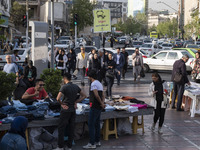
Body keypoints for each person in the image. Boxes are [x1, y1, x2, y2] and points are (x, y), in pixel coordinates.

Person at [54, 73, 86, 150]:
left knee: (61, 128)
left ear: (64, 79)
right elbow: (85, 95)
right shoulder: (76, 86)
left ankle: (60, 146)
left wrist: (62, 104)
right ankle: (69, 146)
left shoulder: (64, 87)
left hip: (65, 110)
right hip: (73, 110)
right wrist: (76, 101)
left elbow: (58, 98)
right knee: (71, 128)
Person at [83, 70, 105, 149]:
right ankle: (97, 141)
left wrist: (101, 103)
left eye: (88, 76)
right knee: (97, 124)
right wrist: (102, 103)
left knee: (91, 124)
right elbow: (103, 95)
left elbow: (96, 95)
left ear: (90, 77)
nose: (88, 78)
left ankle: (92, 143)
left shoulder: (93, 84)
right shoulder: (99, 83)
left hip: (95, 106)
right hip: (99, 107)